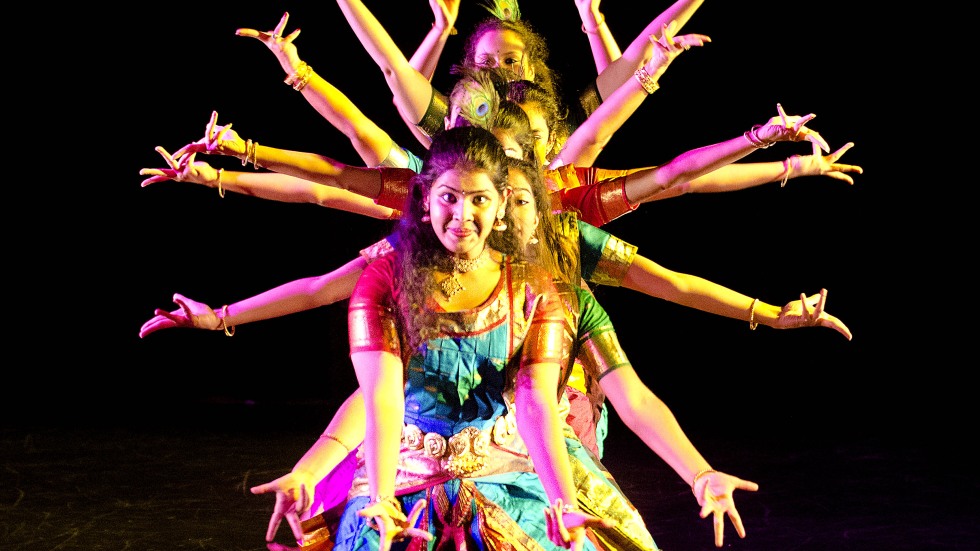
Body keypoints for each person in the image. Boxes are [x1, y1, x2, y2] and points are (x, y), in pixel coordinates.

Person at [329, 125, 608, 550]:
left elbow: (535, 400)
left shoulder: (533, 288)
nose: (462, 215)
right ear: (425, 200)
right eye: (449, 197)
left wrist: (562, 502)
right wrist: (382, 498)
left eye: (479, 199)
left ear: (500, 208)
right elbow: (383, 397)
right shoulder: (386, 279)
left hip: (506, 477)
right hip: (404, 475)